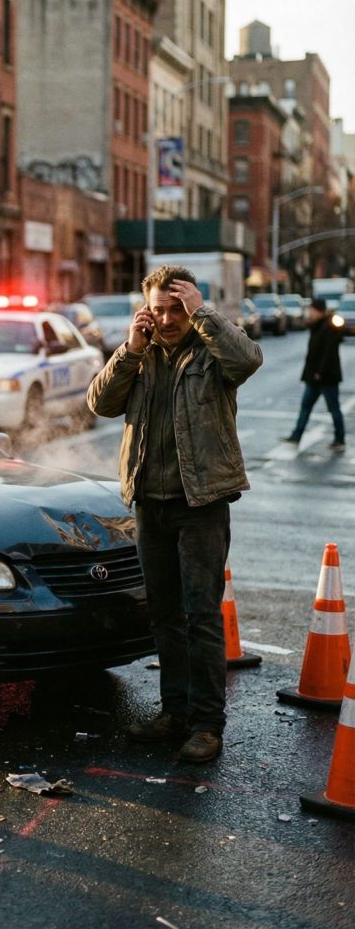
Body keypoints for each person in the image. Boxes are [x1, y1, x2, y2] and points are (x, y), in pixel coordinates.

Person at [87, 265, 263, 764]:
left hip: (200, 503)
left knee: (200, 616)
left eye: (176, 309)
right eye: (158, 309)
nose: (166, 319)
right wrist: (130, 349)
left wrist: (202, 311)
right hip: (149, 501)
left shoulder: (212, 349)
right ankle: (175, 712)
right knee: (164, 616)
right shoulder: (139, 357)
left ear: (191, 308)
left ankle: (207, 724)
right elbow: (100, 403)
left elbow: (249, 359)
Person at [282, 298, 346, 452]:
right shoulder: (317, 325)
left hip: (326, 377)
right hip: (314, 376)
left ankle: (340, 439)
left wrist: (320, 372)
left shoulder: (330, 326)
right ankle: (297, 435)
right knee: (306, 406)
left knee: (333, 408)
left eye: (311, 310)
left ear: (318, 310)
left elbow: (329, 353)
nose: (309, 313)